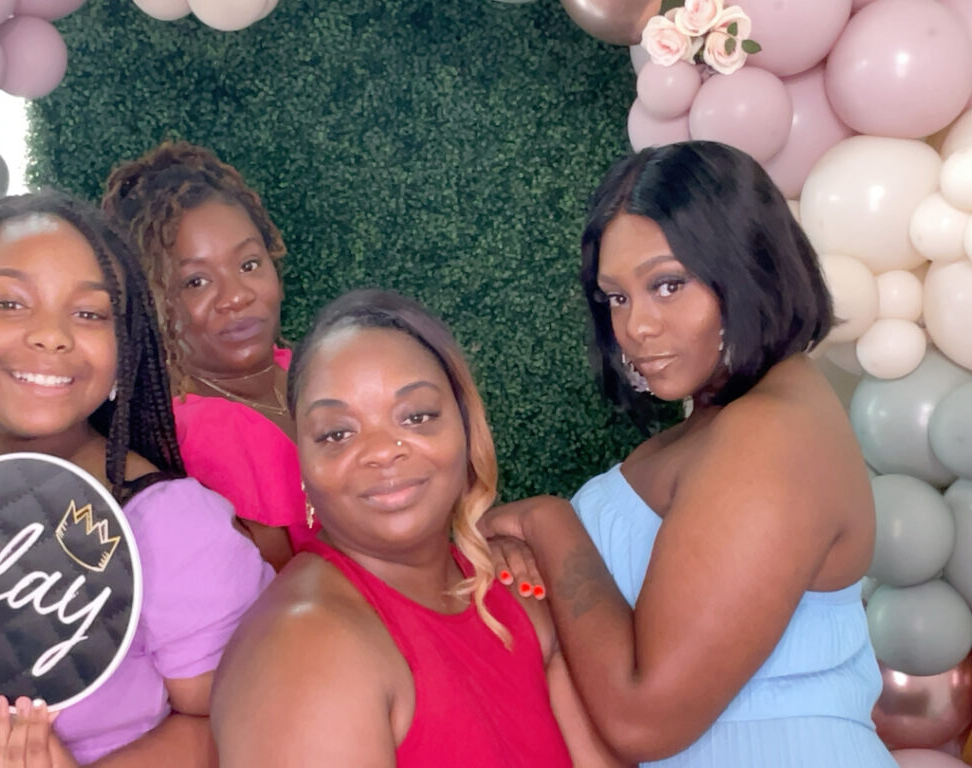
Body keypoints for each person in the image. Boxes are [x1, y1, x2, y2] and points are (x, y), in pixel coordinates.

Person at [481, 142, 896, 766]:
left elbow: (645, 718)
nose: (636, 327)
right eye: (616, 297)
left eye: (667, 284)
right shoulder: (723, 422)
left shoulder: (770, 434)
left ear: (749, 267)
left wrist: (546, 523)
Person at [210, 289, 621, 768]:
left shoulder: (512, 595)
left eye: (417, 416)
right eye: (337, 433)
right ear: (303, 462)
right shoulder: (305, 650)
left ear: (467, 427)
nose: (383, 451)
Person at [0, 190, 272, 767]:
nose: (52, 335)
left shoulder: (171, 527)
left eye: (90, 313)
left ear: (124, 350)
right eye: (9, 303)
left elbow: (246, 725)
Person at [101, 142, 303, 570]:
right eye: (195, 282)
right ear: (152, 303)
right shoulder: (203, 434)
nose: (236, 297)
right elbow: (292, 590)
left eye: (249, 264)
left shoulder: (304, 369)